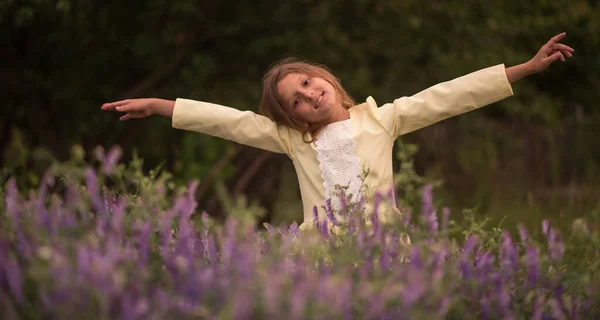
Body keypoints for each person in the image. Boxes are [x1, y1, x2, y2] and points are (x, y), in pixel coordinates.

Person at [102, 33, 574, 231]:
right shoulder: (293, 141)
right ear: (295, 117)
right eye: (296, 102)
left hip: (386, 249)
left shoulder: (383, 119)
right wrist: (161, 106)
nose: (308, 97)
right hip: (322, 256)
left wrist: (524, 69)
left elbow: (448, 95)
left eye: (307, 84)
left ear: (322, 76)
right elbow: (228, 121)